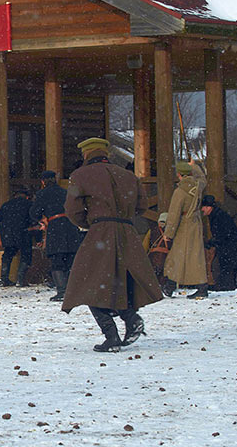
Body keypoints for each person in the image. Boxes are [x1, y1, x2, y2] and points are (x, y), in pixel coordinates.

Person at [62, 138, 162, 352]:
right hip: (127, 233)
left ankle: (112, 335)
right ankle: (130, 318)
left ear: (86, 154)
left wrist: (92, 223)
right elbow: (142, 206)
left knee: (88, 283)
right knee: (118, 281)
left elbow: (72, 210)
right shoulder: (129, 176)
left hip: (100, 233)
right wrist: (123, 218)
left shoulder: (80, 175)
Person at [30, 170, 83, 301]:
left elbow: (34, 212)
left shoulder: (42, 194)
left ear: (43, 181)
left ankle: (62, 290)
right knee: (70, 258)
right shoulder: (65, 192)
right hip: (70, 226)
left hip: (55, 227)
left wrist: (41, 219)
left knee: (57, 259)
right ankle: (72, 291)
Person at [162, 161, 208, 299]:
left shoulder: (180, 192)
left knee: (176, 256)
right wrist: (194, 166)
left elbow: (174, 214)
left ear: (179, 174)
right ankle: (201, 287)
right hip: (196, 223)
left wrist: (168, 233)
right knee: (196, 257)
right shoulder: (198, 185)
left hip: (184, 226)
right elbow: (202, 178)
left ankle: (170, 286)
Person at [201, 195, 237, 291]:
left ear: (209, 207)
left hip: (231, 248)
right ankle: (230, 286)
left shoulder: (219, 216)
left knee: (225, 267)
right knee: (229, 268)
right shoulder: (216, 215)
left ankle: (226, 287)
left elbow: (223, 233)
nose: (202, 209)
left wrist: (212, 242)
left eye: (204, 207)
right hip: (229, 247)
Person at [0, 188, 34, 286]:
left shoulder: (6, 205)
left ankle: (4, 278)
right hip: (23, 233)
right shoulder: (29, 204)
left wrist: (3, 231)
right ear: (26, 196)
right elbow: (33, 219)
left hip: (8, 234)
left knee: (7, 255)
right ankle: (20, 280)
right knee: (26, 255)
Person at [141, 212, 171, 288]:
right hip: (166, 259)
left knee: (153, 277)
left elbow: (145, 244)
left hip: (153, 258)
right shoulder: (171, 232)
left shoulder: (152, 230)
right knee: (164, 277)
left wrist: (143, 257)